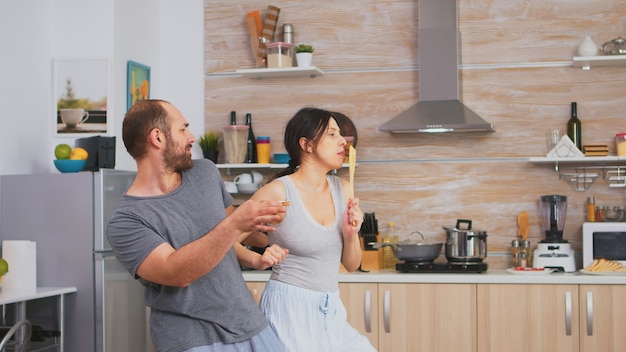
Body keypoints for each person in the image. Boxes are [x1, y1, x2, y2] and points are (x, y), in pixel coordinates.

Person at [106, 99, 289, 352]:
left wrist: (260, 236)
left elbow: (229, 241)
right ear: (157, 138)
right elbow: (176, 273)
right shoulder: (126, 221)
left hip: (250, 324)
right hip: (193, 339)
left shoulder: (204, 172)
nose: (191, 137)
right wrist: (235, 223)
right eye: (183, 129)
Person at [236, 107, 376, 352]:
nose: (343, 141)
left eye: (340, 135)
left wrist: (351, 234)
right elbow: (225, 239)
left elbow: (352, 265)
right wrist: (257, 259)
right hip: (288, 310)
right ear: (307, 144)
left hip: (330, 308)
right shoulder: (279, 192)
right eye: (332, 134)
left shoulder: (344, 189)